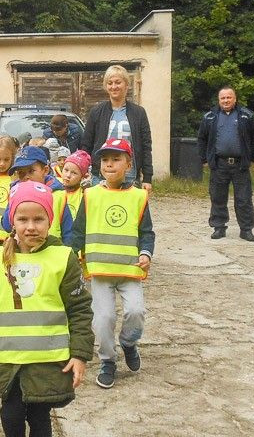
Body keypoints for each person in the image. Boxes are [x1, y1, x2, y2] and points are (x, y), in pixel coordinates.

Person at [0, 181, 93, 437]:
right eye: (22, 219)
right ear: (12, 221)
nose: (31, 226)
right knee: (10, 415)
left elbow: (80, 311)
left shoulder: (62, 258)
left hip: (47, 361)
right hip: (9, 361)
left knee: (39, 417)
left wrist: (80, 354)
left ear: (50, 220)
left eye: (38, 219)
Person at [67, 138, 154, 390]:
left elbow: (147, 232)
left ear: (129, 164)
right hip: (100, 271)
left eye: (116, 159)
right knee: (103, 319)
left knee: (136, 312)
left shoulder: (139, 197)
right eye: (105, 160)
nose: (109, 164)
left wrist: (146, 253)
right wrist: (71, 257)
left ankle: (128, 342)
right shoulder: (90, 195)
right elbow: (78, 231)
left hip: (129, 270)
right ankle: (107, 360)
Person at [196, 86, 254, 242]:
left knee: (244, 199)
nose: (226, 100)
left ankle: (246, 230)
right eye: (223, 98)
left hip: (240, 165)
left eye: (229, 97)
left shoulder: (246, 116)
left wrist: (252, 158)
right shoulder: (210, 117)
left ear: (235, 99)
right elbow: (202, 138)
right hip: (219, 164)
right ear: (219, 100)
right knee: (217, 197)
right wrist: (204, 159)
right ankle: (219, 227)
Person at [79, 65, 153, 190]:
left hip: (130, 177)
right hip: (100, 177)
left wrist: (147, 178)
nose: (114, 86)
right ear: (106, 86)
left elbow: (146, 146)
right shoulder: (96, 112)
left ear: (126, 85)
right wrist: (82, 170)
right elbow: (86, 145)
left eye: (118, 82)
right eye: (110, 83)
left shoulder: (139, 113)